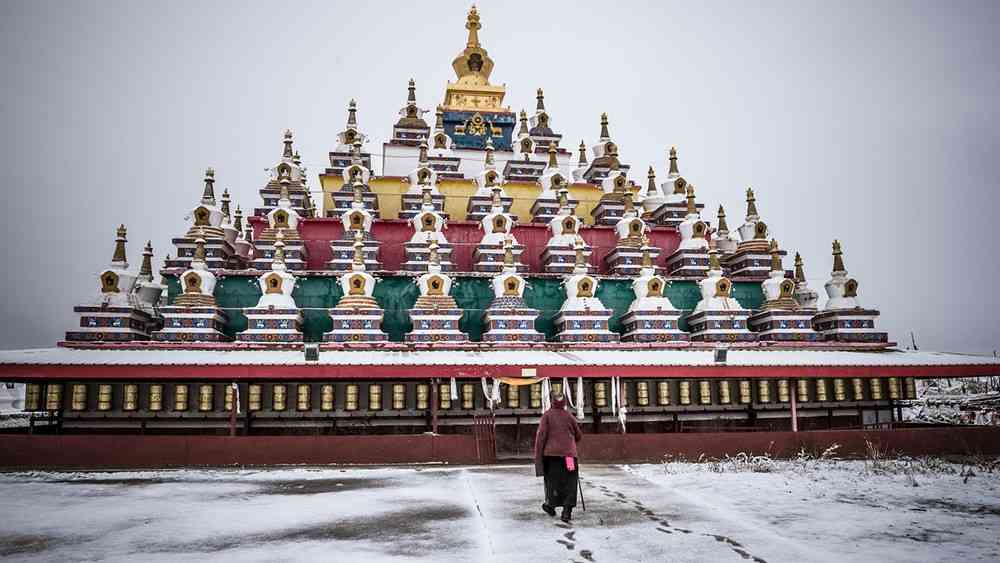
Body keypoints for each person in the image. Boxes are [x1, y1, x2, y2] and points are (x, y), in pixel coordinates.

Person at [533, 390, 583, 522]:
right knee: (570, 481)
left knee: (553, 482)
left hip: (552, 457)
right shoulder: (569, 416)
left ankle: (550, 505)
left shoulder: (547, 416)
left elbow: (541, 436)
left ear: (551, 401)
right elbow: (578, 435)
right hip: (569, 457)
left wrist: (539, 455)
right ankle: (567, 511)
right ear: (564, 401)